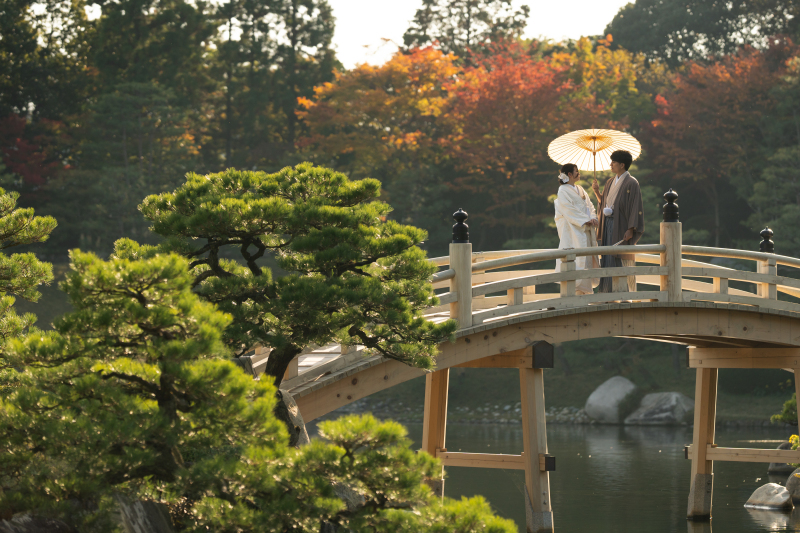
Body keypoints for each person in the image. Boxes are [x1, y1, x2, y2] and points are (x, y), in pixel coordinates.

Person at [591, 150, 644, 294]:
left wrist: (631, 228)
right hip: (608, 224)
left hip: (621, 226)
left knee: (621, 257)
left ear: (622, 164)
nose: (611, 164)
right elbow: (605, 203)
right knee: (608, 256)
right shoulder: (609, 181)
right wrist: (597, 192)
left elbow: (635, 207)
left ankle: (625, 293)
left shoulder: (632, 183)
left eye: (614, 162)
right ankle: (607, 292)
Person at [554, 163, 599, 295]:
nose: (578, 173)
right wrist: (585, 220)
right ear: (569, 174)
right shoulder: (562, 190)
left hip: (586, 229)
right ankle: (574, 293)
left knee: (586, 259)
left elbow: (589, 205)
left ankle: (586, 292)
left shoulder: (580, 189)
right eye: (576, 171)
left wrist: (593, 217)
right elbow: (568, 209)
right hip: (573, 230)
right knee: (575, 257)